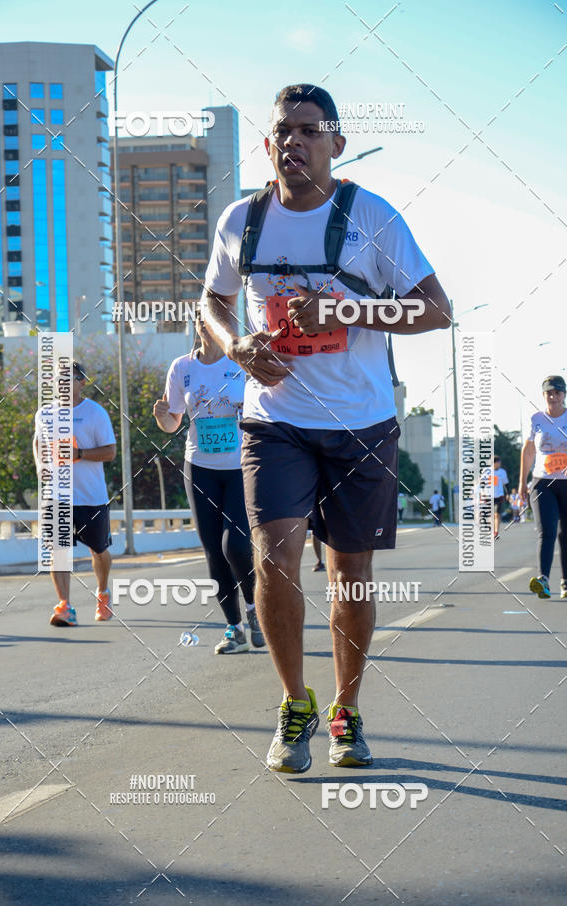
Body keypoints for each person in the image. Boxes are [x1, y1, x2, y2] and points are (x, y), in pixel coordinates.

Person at [202, 84, 450, 772]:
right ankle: (294, 704)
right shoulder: (241, 220)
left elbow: (435, 311)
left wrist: (348, 314)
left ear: (336, 145)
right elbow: (213, 302)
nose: (294, 142)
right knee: (274, 558)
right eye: (283, 130)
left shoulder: (372, 217)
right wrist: (236, 346)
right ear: (268, 143)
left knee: (351, 576)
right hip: (274, 420)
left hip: (360, 424)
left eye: (310, 131)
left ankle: (347, 710)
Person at [153, 308, 265, 653]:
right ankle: (234, 629)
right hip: (199, 467)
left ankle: (254, 609)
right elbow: (173, 421)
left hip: (238, 467)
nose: (204, 326)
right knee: (214, 551)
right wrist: (163, 419)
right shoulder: (182, 368)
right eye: (199, 321)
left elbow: (260, 411)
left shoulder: (240, 366)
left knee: (236, 546)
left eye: (210, 321)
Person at [33, 361, 116, 626]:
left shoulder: (95, 413)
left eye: (69, 378)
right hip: (55, 495)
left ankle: (102, 593)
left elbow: (110, 452)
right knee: (58, 551)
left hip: (91, 497)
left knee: (98, 550)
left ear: (82, 382)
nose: (63, 383)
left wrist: (79, 454)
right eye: (58, 379)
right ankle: (65, 606)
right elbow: (38, 441)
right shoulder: (44, 413)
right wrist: (39, 467)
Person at [519, 375, 567, 600]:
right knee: (546, 531)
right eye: (549, 392)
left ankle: (565, 582)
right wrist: (522, 482)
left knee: (565, 533)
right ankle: (544, 581)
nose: (553, 396)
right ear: (544, 395)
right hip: (542, 483)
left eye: (557, 392)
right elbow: (528, 451)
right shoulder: (536, 418)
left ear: (564, 395)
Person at [492, 456, 509, 538]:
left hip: (499, 495)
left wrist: (508, 493)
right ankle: (492, 530)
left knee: (497, 514)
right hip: (489, 496)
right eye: (498, 462)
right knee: (491, 515)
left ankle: (496, 532)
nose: (499, 464)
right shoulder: (487, 471)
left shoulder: (503, 472)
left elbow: (506, 484)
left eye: (500, 463)